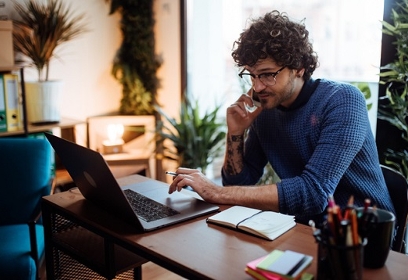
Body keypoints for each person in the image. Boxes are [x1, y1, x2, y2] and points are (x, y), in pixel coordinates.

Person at [168, 10, 395, 225]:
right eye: (252, 75)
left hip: (365, 234)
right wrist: (236, 132)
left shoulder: (342, 101)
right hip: (305, 229)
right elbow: (238, 183)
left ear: (299, 67)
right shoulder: (265, 109)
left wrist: (215, 191)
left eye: (267, 74)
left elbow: (314, 193)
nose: (257, 86)